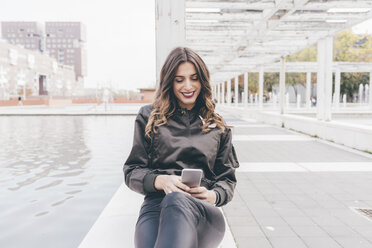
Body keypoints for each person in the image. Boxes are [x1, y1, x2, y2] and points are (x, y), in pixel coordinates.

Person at [123, 47, 239, 248]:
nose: (188, 86)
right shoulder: (148, 116)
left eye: (194, 78)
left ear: (202, 80)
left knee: (176, 200)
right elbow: (132, 171)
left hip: (203, 213)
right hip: (156, 207)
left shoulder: (217, 124)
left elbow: (227, 180)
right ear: (169, 82)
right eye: (179, 80)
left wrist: (213, 195)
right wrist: (161, 180)